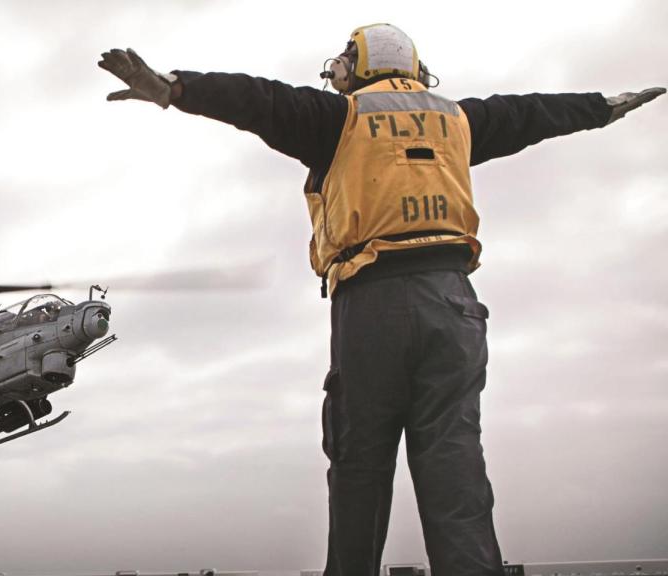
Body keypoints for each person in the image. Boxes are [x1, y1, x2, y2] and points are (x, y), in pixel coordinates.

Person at [98, 23, 664, 576]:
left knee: (359, 466)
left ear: (356, 65)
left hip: (373, 304)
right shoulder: (459, 120)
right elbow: (530, 112)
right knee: (455, 465)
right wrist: (600, 107)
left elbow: (258, 100)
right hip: (454, 306)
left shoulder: (337, 118)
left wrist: (176, 88)